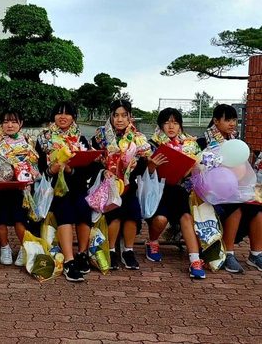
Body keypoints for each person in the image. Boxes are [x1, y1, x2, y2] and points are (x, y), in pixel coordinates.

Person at [36, 102, 102, 282]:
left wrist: (70, 170)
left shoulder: (81, 139)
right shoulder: (43, 139)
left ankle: (81, 253)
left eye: (67, 113)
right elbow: (39, 168)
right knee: (64, 207)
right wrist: (52, 170)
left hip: (77, 186)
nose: (62, 117)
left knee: (83, 206)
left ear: (74, 117)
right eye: (58, 113)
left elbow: (87, 170)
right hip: (52, 189)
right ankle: (69, 261)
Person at [197, 104, 262, 273]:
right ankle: (228, 253)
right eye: (227, 119)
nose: (232, 123)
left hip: (236, 190)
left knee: (257, 207)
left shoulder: (236, 142)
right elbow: (198, 170)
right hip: (211, 193)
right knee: (236, 207)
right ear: (216, 121)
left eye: (234, 119)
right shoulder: (203, 142)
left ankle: (256, 254)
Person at [92, 99, 151, 270]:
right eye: (116, 115)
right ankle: (110, 250)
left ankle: (128, 251)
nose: (120, 119)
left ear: (130, 117)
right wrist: (103, 170)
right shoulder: (100, 136)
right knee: (114, 213)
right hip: (108, 185)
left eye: (124, 115)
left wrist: (135, 165)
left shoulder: (138, 138)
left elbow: (144, 165)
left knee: (132, 212)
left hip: (129, 184)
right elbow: (93, 160)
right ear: (110, 116)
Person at [147, 108, 206, 279]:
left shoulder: (190, 145)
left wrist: (191, 168)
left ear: (180, 125)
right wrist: (151, 166)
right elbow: (145, 174)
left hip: (181, 189)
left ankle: (195, 261)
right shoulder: (152, 144)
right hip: (158, 191)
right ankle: (152, 241)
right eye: (167, 122)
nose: (171, 126)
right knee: (161, 220)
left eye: (175, 122)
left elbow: (194, 172)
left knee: (186, 216)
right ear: (161, 125)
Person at [0, 110, 39, 266]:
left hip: (21, 188)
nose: (10, 125)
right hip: (1, 188)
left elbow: (35, 164)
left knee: (20, 220)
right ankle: (5, 249)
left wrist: (31, 175)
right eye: (6, 122)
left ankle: (24, 249)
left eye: (14, 122)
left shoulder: (29, 141)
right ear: (1, 124)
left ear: (21, 124)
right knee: (0, 221)